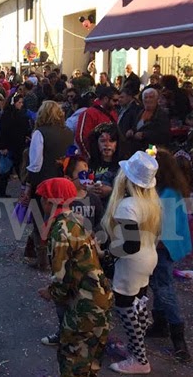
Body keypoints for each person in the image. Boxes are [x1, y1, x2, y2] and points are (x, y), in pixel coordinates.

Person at [36, 178, 113, 377]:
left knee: (72, 362)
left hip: (84, 307)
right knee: (91, 366)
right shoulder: (77, 221)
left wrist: (50, 292)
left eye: (43, 198)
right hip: (101, 301)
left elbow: (62, 280)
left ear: (50, 202)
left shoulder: (60, 230)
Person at [101, 150, 161, 374]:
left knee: (125, 306)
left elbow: (129, 245)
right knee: (139, 302)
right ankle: (137, 347)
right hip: (148, 258)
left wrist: (106, 253)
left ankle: (140, 359)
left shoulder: (127, 205)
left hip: (132, 263)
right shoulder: (151, 202)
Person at [146, 148, 192, 362]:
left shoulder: (166, 195)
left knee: (164, 289)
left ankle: (178, 339)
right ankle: (160, 324)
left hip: (163, 248)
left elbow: (165, 229)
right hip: (167, 247)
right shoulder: (171, 190)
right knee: (158, 283)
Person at [25, 101, 74, 270]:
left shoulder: (40, 133)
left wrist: (28, 184)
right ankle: (58, 257)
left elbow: (35, 163)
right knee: (59, 220)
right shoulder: (68, 132)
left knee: (40, 221)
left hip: (44, 182)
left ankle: (42, 260)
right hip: (62, 182)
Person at [0, 93, 30, 198]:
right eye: (19, 102)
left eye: (22, 102)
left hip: (19, 146)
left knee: (19, 170)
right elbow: (2, 131)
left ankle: (25, 192)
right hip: (9, 147)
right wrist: (2, 146)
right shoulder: (7, 115)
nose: (21, 104)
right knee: (5, 170)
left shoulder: (21, 114)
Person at [75, 86, 119, 159]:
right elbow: (81, 137)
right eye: (114, 100)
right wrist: (90, 156)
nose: (117, 103)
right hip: (94, 158)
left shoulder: (114, 113)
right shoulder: (89, 113)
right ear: (105, 99)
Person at [125, 88, 170, 153]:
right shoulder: (139, 112)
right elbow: (135, 127)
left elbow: (164, 135)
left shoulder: (162, 114)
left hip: (152, 149)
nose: (148, 100)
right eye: (146, 97)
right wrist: (131, 131)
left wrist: (144, 135)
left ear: (156, 99)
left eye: (151, 97)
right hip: (137, 149)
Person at [88, 123, 121, 203]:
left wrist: (112, 190)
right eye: (103, 141)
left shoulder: (123, 166)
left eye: (111, 141)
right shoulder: (88, 163)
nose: (107, 144)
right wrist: (88, 188)